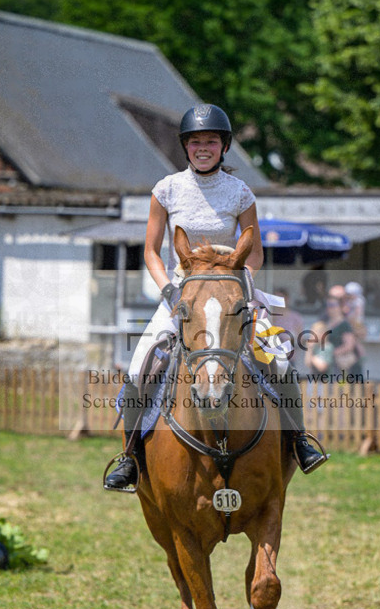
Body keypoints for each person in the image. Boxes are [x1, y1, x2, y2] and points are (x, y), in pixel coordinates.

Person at [104, 103, 327, 491]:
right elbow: (151, 252)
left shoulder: (240, 192)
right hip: (181, 295)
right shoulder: (166, 189)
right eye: (195, 142)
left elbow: (254, 254)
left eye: (210, 141)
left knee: (280, 361)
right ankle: (131, 458)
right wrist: (169, 290)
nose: (202, 148)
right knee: (139, 367)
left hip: (230, 297)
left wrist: (241, 287)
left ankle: (299, 441)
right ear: (185, 147)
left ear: (224, 147)